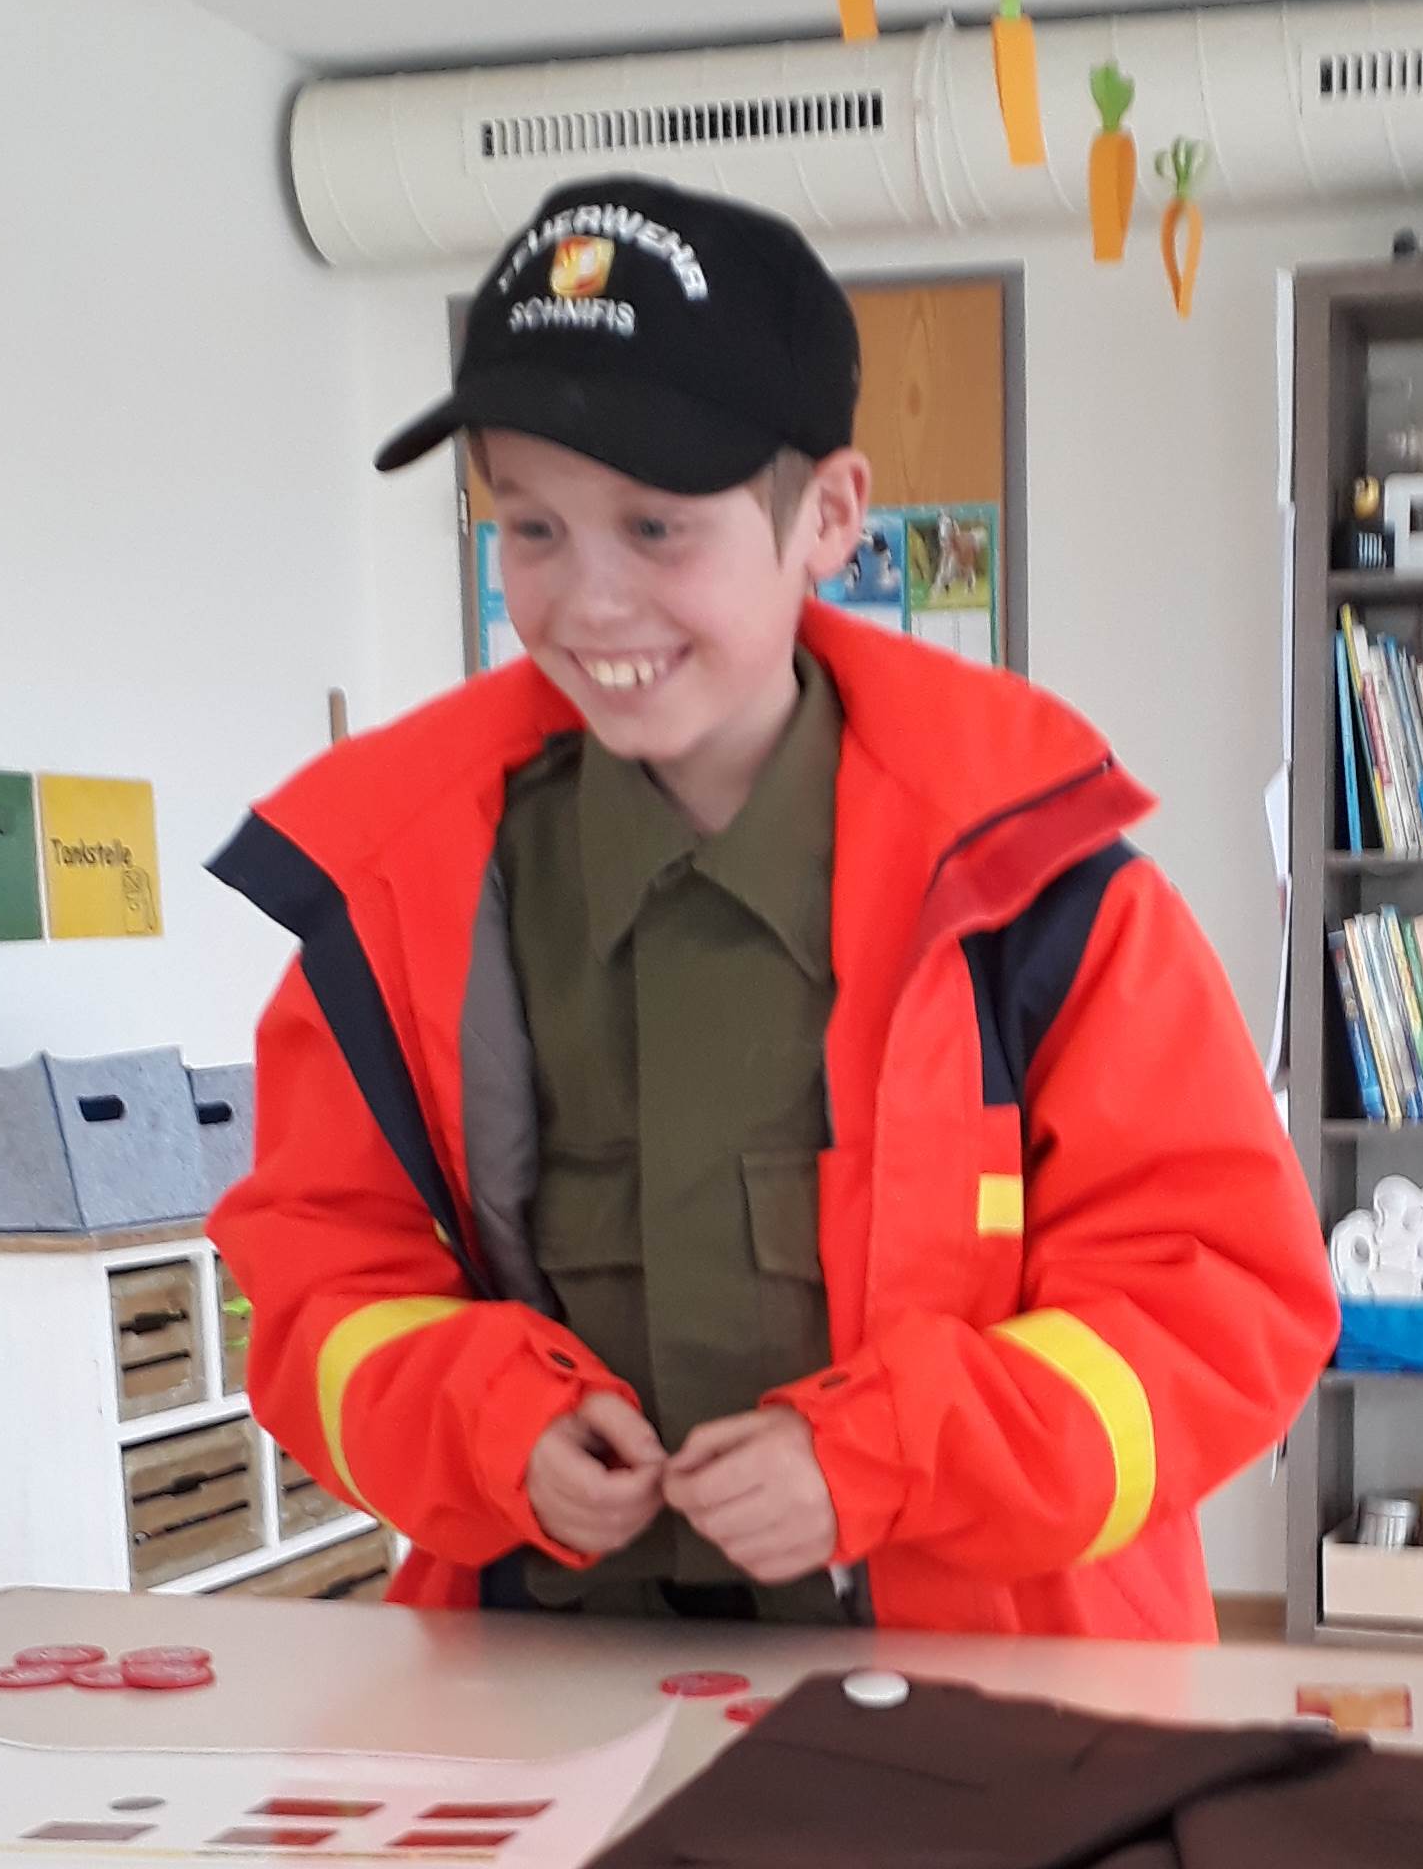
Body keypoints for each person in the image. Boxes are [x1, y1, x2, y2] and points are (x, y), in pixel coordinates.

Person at [210, 175, 1335, 1637]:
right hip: (546, 1688)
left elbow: (1220, 1308)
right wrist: (492, 1426)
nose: (587, 601)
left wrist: (881, 1455)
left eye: (656, 527)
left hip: (982, 1696)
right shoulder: (400, 901)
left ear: (832, 518)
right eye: (531, 527)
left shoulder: (1044, 896)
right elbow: (313, 1294)